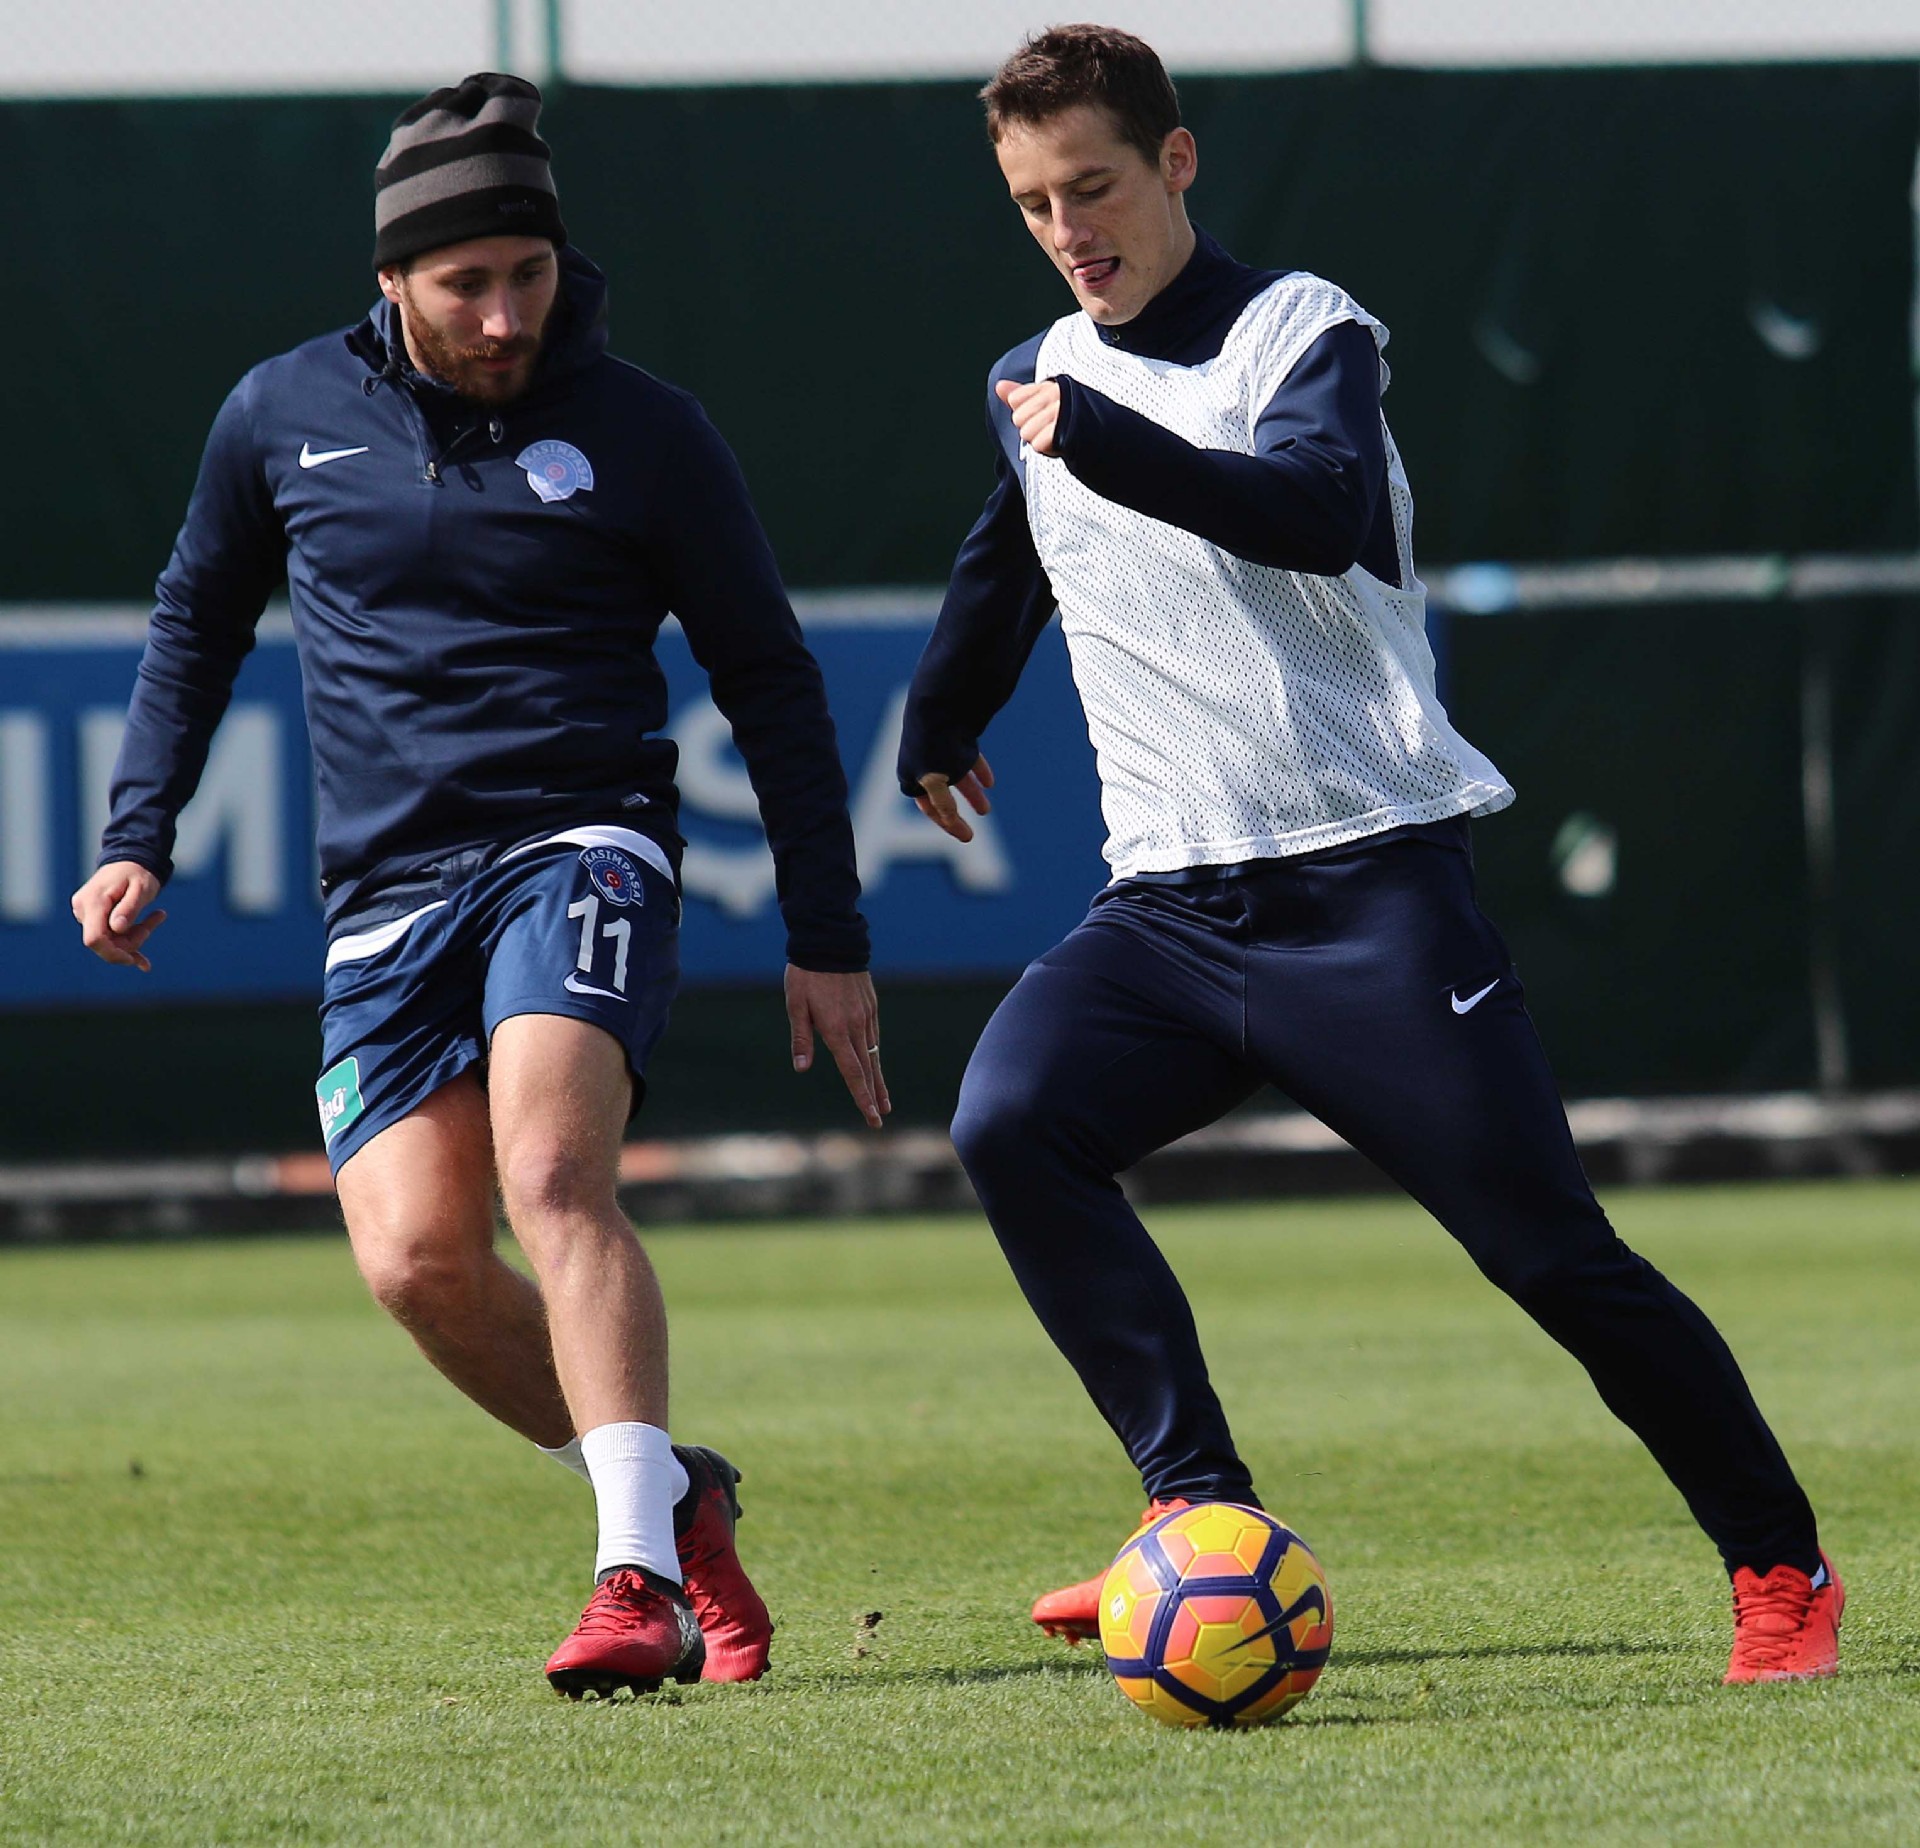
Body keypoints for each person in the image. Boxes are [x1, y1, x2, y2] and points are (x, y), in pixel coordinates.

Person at [897, 25, 1840, 1684]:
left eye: (1092, 187)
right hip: (1167, 915)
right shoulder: (1036, 375)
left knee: (1552, 1256)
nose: (1066, 229)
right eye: (1034, 203)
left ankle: (1780, 1566)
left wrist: (1099, 436)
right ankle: (1195, 1508)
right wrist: (940, 717)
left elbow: (1314, 510)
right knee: (1011, 1121)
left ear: (1176, 161)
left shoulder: (1302, 331)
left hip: (1369, 895)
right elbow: (1011, 558)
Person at [72, 73, 888, 1699]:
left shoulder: (648, 430)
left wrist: (826, 927)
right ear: (390, 276)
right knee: (417, 1265)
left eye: (530, 274)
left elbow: (769, 677)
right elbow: (194, 623)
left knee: (552, 1175)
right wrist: (135, 829)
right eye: (466, 283)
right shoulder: (278, 414)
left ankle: (632, 1582)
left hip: (579, 845)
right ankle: (676, 1493)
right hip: (385, 893)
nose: (509, 316)